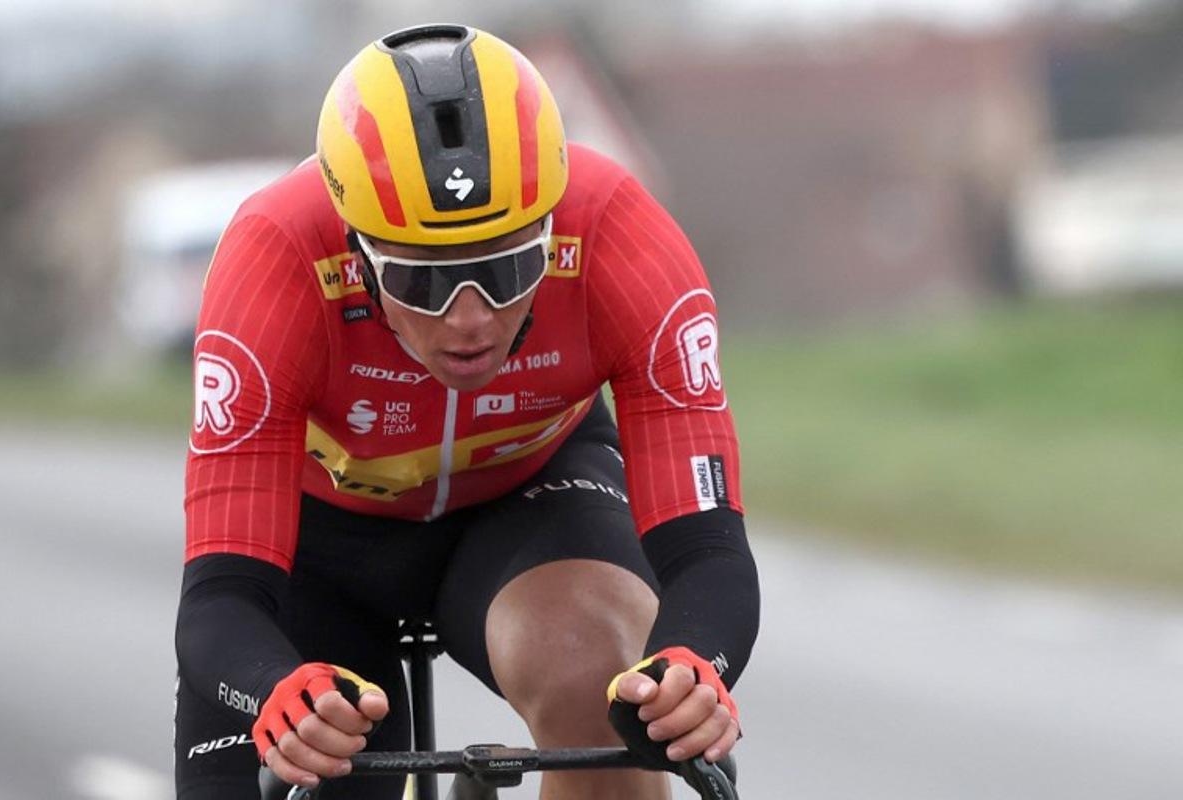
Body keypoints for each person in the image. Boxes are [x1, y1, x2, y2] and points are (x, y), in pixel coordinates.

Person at [175, 23, 759, 800]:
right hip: (320, 539)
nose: (470, 318)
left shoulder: (619, 236)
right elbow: (220, 599)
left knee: (612, 695)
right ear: (356, 251)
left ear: (551, 228)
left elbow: (709, 551)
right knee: (301, 763)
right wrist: (276, 692)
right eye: (423, 281)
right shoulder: (274, 260)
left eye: (508, 267)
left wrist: (692, 666)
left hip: (530, 501)